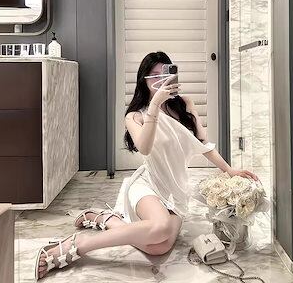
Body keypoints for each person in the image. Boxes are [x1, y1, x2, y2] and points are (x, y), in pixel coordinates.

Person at [35, 51, 258, 280]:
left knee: (159, 247)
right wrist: (154, 106)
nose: (160, 80)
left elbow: (203, 144)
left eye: (165, 73)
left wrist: (229, 170)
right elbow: (144, 147)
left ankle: (107, 220)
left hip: (176, 189)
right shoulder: (135, 116)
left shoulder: (186, 104)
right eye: (154, 75)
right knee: (160, 228)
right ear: (144, 79)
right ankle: (80, 244)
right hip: (148, 184)